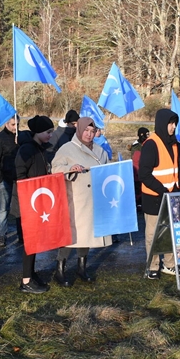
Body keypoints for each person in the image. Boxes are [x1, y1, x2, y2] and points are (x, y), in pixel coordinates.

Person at [51, 117, 112, 286]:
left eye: (92, 131)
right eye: (86, 130)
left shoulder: (100, 151)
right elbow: (55, 168)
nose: (89, 134)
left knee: (87, 234)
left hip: (94, 199)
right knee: (70, 235)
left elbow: (107, 170)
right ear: (79, 130)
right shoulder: (67, 148)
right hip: (75, 199)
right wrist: (69, 169)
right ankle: (60, 270)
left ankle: (81, 268)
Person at [138, 109, 180, 279]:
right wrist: (162, 190)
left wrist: (177, 187)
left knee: (170, 232)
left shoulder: (175, 144)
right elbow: (144, 173)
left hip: (172, 196)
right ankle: (153, 266)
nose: (173, 127)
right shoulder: (151, 144)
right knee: (153, 234)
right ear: (162, 123)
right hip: (154, 197)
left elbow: (178, 166)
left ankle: (170, 264)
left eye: (175, 123)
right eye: (170, 123)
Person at [15, 115, 55, 294]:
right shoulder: (26, 150)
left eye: (51, 132)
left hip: (38, 200)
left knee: (36, 240)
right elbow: (19, 175)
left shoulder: (40, 149)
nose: (50, 135)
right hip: (27, 201)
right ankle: (26, 281)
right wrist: (29, 190)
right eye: (48, 132)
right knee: (30, 241)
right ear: (38, 132)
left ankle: (30, 273)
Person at [0, 116, 18, 247]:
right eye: (13, 124)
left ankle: (22, 234)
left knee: (18, 209)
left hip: (17, 178)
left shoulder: (20, 137)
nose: (15, 127)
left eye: (17, 124)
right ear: (6, 124)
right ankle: (0, 236)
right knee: (3, 209)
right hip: (4, 179)